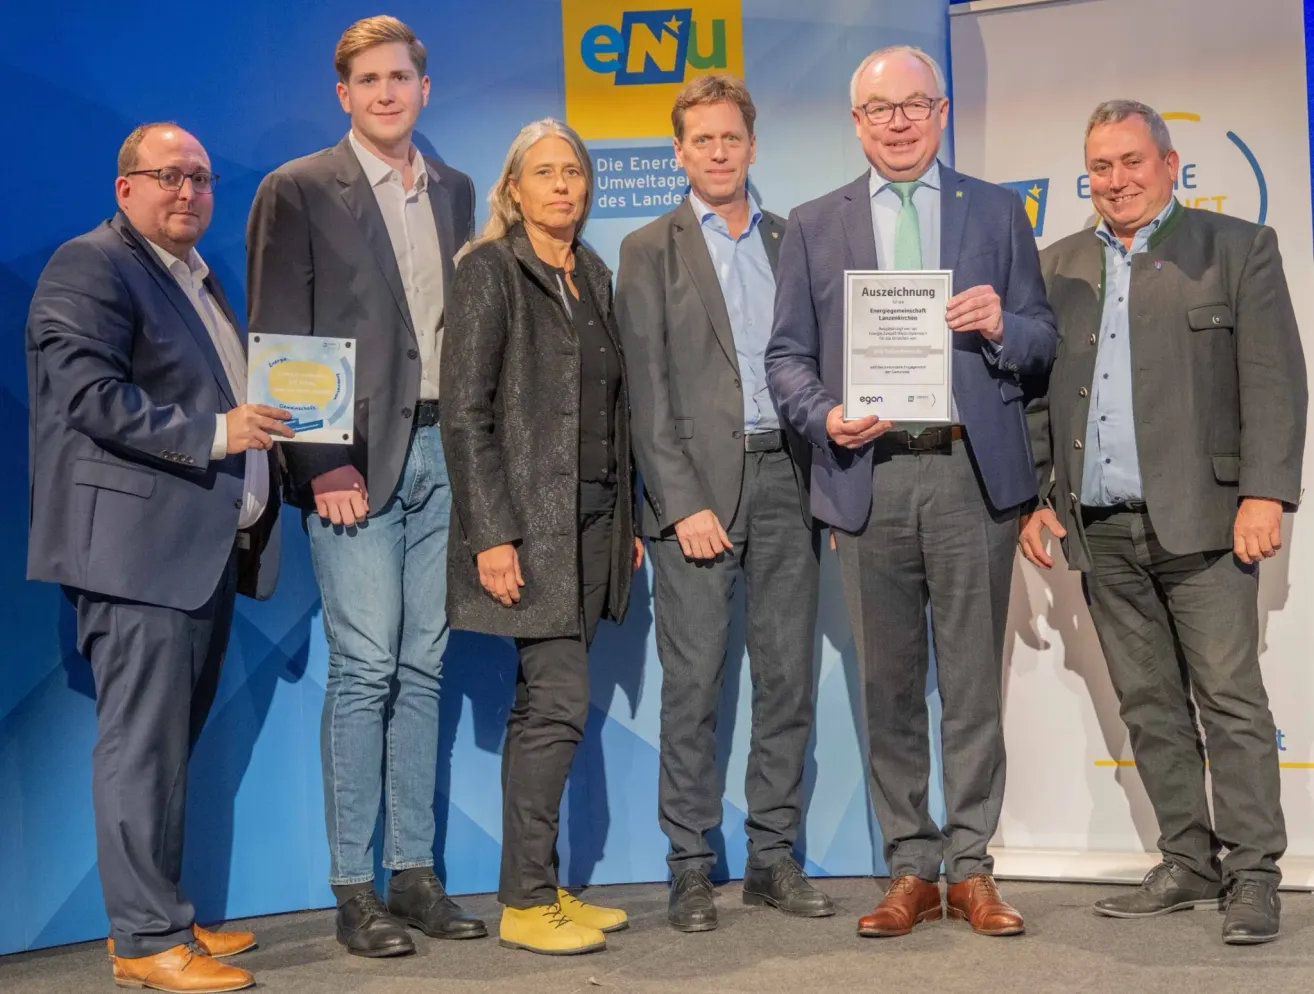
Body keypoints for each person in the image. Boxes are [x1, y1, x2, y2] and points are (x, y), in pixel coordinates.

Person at [765, 45, 1057, 938]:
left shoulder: (998, 211)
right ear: (857, 123)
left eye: (914, 105)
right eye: (880, 109)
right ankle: (910, 868)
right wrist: (824, 416)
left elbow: (1042, 340)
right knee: (888, 687)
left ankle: (971, 869)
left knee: (971, 684)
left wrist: (1002, 324)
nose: (898, 123)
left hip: (971, 476)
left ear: (941, 112)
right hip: (870, 479)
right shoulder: (813, 224)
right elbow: (786, 358)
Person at [1021, 99, 1307, 945]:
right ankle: (1188, 860)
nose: (1117, 180)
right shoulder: (1056, 266)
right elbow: (1033, 397)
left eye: (1132, 162)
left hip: (1210, 524)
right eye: (1100, 167)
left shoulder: (1238, 248)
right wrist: (1037, 497)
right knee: (1147, 704)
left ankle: (1253, 873)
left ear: (1170, 165)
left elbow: (1276, 382)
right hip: (1099, 526)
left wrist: (1266, 494)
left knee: (1230, 701)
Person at [26, 122, 289, 993]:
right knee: (141, 750)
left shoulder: (196, 276)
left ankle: (164, 917)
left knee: (168, 748)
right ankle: (144, 940)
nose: (188, 192)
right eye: (169, 176)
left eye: (200, 178)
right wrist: (217, 433)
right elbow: (89, 396)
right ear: (125, 186)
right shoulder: (91, 265)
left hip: (201, 553)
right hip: (137, 555)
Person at [245, 15, 485, 957]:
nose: (387, 93)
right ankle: (354, 888)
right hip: (353, 466)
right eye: (369, 80)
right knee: (365, 669)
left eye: (401, 78)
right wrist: (318, 463)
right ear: (343, 94)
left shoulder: (456, 190)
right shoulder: (299, 188)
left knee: (424, 665)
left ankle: (414, 875)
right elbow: (281, 332)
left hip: (444, 455)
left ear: (425, 88)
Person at [615, 74, 832, 932]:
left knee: (787, 682)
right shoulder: (647, 248)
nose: (717, 152)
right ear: (678, 152)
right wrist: (679, 503)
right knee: (694, 685)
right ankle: (689, 867)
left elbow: (819, 364)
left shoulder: (791, 239)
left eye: (730, 138)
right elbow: (645, 392)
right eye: (700, 139)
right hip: (697, 495)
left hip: (789, 481)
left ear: (751, 145)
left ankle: (774, 858)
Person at [441, 118, 645, 957]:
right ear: (513, 190)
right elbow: (465, 413)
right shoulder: (488, 270)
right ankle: (525, 903)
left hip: (596, 523)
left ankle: (542, 882)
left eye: (575, 172)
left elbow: (613, 409)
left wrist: (625, 518)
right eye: (546, 173)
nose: (563, 185)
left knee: (544, 707)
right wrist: (493, 534)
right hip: (530, 532)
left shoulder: (592, 272)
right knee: (556, 703)